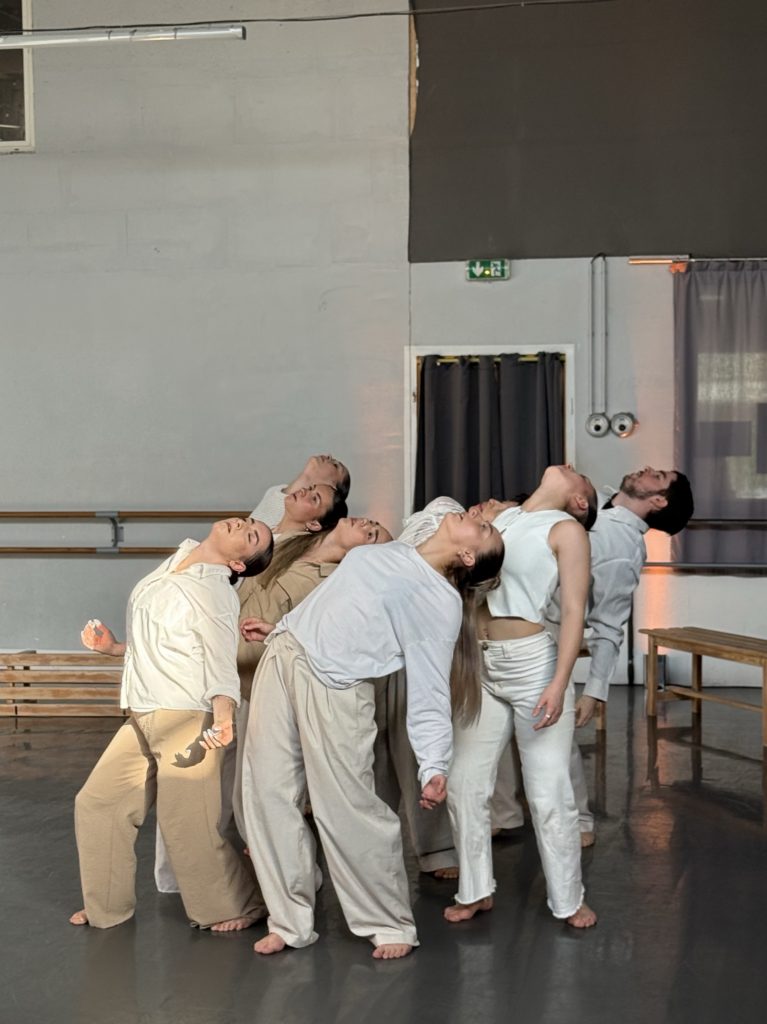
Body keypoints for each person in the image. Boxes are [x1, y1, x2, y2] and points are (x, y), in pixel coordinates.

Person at [240, 512, 505, 959]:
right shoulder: (394, 550)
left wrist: (434, 764)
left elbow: (430, 689)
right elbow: (337, 599)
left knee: (348, 807)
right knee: (266, 793)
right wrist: (284, 629)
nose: (477, 518)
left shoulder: (438, 600)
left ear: (467, 555)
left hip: (336, 686)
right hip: (285, 655)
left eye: (484, 530)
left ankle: (389, 922)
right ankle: (289, 921)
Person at [70, 517, 273, 931]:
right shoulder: (178, 560)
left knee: (187, 823)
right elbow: (166, 639)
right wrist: (115, 648)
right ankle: (107, 906)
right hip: (145, 711)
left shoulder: (216, 590)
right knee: (99, 804)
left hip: (188, 716)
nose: (243, 524)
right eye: (249, 522)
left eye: (251, 535)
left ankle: (237, 905)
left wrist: (223, 718)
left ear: (238, 565)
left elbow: (220, 657)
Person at [445, 465, 599, 929]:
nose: (569, 467)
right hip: (479, 660)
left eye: (580, 476)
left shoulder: (567, 530)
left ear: (580, 502)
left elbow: (573, 610)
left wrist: (560, 682)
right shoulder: (505, 518)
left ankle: (569, 899)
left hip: (533, 665)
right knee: (464, 783)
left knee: (548, 791)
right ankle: (474, 890)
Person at [374, 495, 520, 878]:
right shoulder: (445, 517)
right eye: (482, 510)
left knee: (417, 749)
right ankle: (376, 850)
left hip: (416, 647)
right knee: (374, 756)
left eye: (491, 517)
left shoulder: (473, 561)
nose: (484, 507)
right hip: (376, 645)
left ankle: (437, 848)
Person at [250, 454, 350, 528]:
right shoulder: (276, 489)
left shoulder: (297, 516)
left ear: (332, 488)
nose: (328, 456)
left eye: (336, 466)